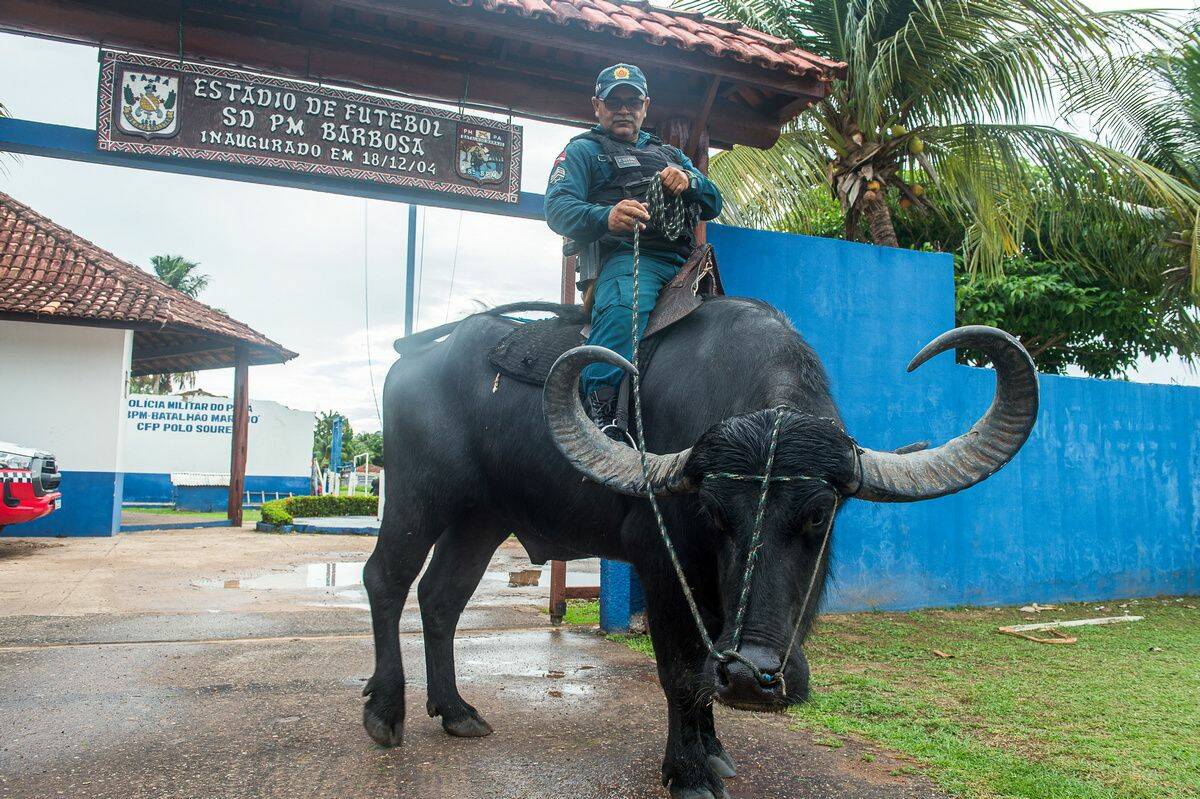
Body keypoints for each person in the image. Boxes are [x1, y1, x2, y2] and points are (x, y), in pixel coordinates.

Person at [545, 63, 723, 434]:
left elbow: (714, 203)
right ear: (597, 105)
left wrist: (689, 180)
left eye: (632, 101)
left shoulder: (671, 153)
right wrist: (606, 216)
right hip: (632, 258)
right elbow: (557, 209)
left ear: (645, 106)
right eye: (614, 102)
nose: (623, 109)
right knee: (624, 308)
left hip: (689, 264)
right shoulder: (582, 151)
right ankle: (600, 417)